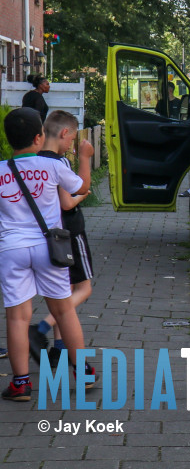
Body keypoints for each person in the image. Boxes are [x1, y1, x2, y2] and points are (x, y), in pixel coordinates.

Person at [0, 108, 95, 401]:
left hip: (12, 248)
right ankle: (82, 372)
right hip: (48, 248)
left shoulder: (1, 169)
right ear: (39, 137)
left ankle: (21, 384)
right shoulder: (51, 166)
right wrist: (85, 159)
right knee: (63, 310)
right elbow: (82, 187)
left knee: (17, 317)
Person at [28, 111, 96, 371]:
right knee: (83, 289)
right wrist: (85, 161)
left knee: (62, 289)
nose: (72, 144)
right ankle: (41, 328)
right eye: (73, 138)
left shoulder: (34, 160)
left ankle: (60, 349)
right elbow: (68, 201)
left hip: (46, 234)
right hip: (71, 233)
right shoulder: (59, 164)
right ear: (65, 133)